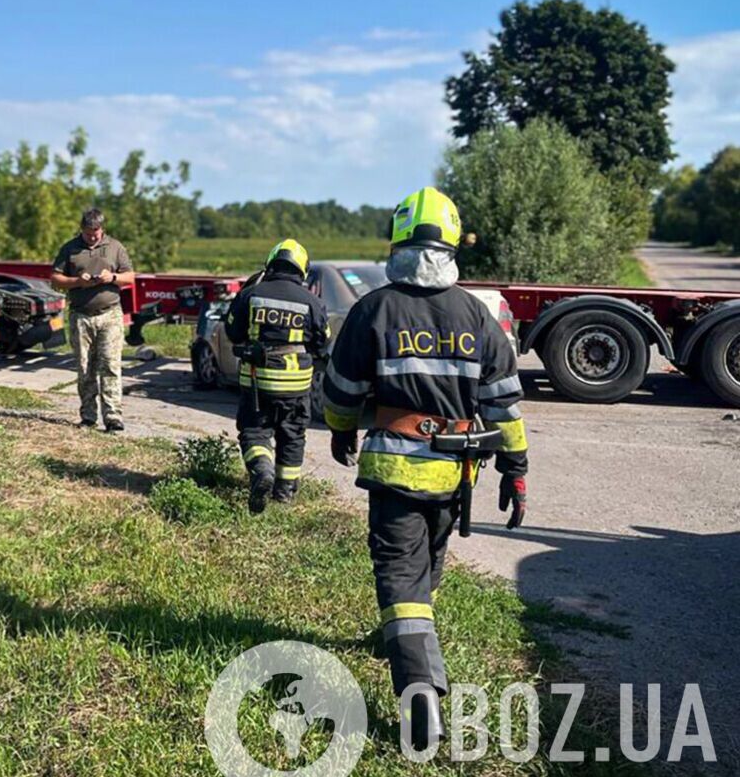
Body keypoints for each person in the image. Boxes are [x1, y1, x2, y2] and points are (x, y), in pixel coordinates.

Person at [321, 186, 529, 747]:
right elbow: (504, 405)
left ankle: (423, 701)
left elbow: (340, 391)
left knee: (400, 577)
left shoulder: (373, 308)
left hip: (395, 472)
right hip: (457, 475)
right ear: (454, 245)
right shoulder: (477, 316)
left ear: (399, 244)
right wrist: (516, 468)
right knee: (427, 567)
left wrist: (342, 429)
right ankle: (405, 637)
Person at [225, 238, 328, 513]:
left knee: (254, 431)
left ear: (270, 263)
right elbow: (322, 342)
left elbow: (232, 332)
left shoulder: (251, 294)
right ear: (302, 269)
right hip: (296, 385)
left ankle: (261, 470)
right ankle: (284, 494)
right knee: (292, 435)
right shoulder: (312, 302)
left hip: (258, 383)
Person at [51, 207, 136, 431]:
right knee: (85, 367)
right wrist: (78, 281)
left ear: (102, 229)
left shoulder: (115, 247)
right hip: (81, 316)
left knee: (110, 365)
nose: (92, 236)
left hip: (109, 315)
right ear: (82, 229)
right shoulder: (70, 249)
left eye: (96, 232)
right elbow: (56, 278)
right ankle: (88, 416)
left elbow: (130, 277)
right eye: (88, 233)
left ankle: (113, 416)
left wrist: (113, 277)